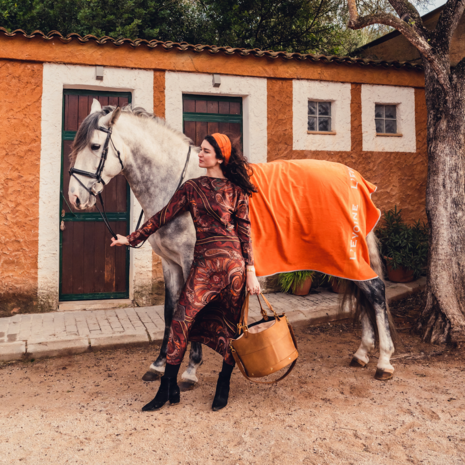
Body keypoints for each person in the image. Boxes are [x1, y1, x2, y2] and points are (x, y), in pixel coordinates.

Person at [111, 133, 260, 412]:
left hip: (233, 269)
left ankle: (223, 382)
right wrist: (130, 239)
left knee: (231, 328)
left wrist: (251, 271)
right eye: (199, 150)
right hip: (203, 266)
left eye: (204, 151)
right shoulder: (191, 187)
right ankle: (167, 387)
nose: (199, 154)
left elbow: (245, 233)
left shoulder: (237, 191)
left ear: (219, 157)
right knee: (181, 322)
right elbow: (161, 216)